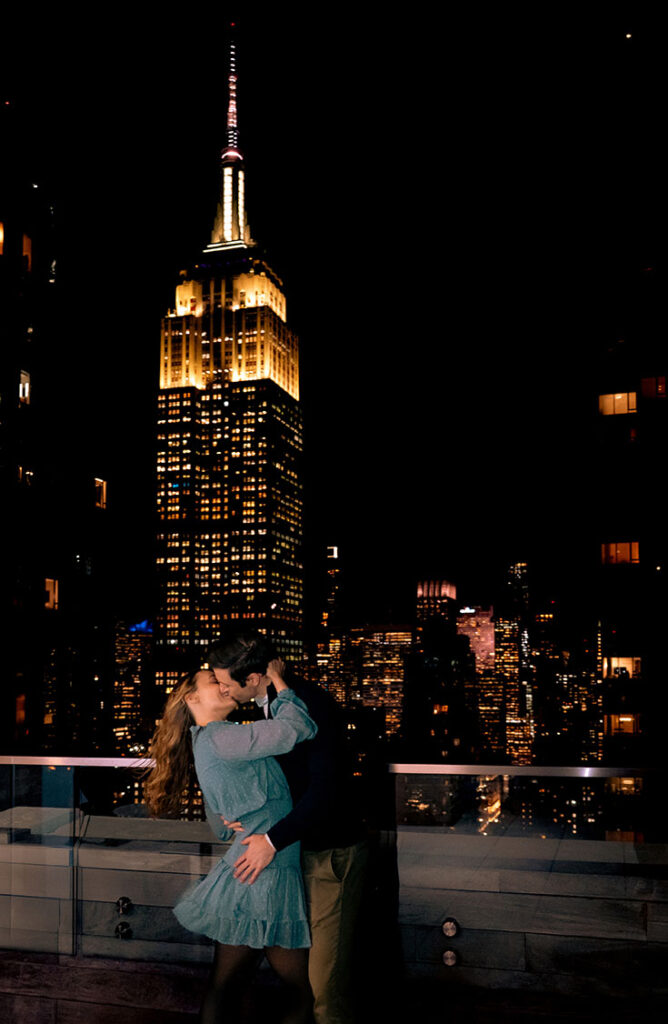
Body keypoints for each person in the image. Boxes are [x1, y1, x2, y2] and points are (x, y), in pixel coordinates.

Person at [144, 654, 317, 1024]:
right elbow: (298, 728)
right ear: (192, 699)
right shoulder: (223, 737)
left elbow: (222, 829)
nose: (223, 685)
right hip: (266, 873)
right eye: (212, 681)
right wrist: (278, 682)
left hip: (245, 872)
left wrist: (231, 813)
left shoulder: (205, 742)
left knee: (226, 984)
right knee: (301, 990)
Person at [208, 633, 368, 1024]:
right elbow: (283, 783)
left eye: (227, 682)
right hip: (295, 856)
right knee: (300, 985)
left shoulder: (307, 705)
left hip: (330, 857)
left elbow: (325, 791)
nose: (222, 689)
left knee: (325, 992)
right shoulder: (270, 708)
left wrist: (270, 840)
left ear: (256, 677)